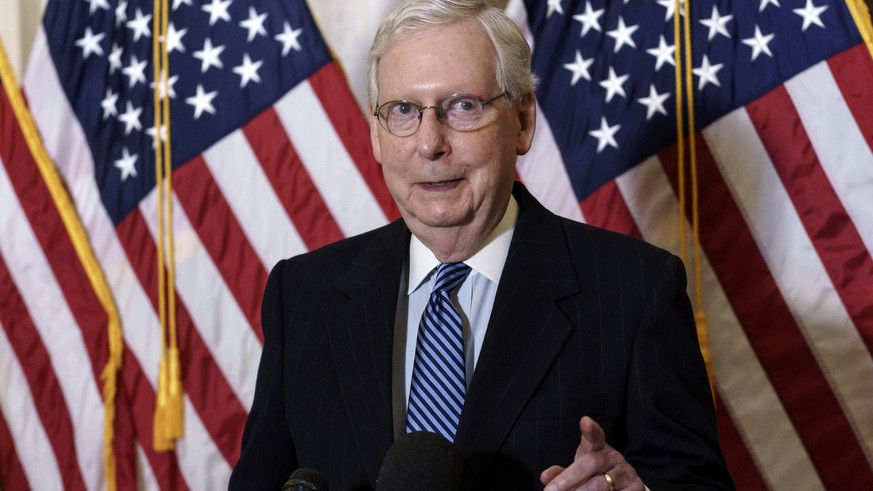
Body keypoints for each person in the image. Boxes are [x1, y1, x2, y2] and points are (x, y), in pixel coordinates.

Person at [230, 0, 734, 489]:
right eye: (403, 110)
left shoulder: (634, 290)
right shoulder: (303, 295)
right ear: (377, 134)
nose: (430, 144)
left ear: (523, 120)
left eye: (463, 107)